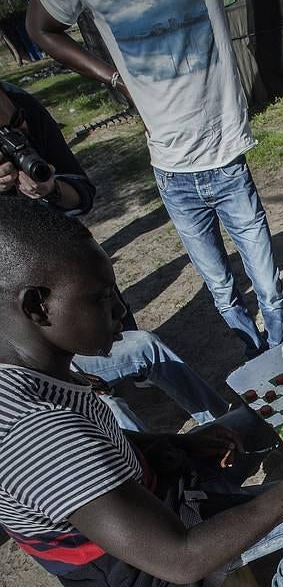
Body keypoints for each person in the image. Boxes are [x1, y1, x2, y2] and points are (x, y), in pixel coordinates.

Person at [0, 197, 283, 587]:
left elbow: (101, 442)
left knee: (260, 416)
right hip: (153, 569)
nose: (121, 310)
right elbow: (180, 559)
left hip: (155, 488)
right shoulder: (38, 433)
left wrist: (177, 442)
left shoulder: (33, 368)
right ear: (37, 306)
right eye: (101, 298)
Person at [27, 0, 283, 359]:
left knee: (267, 284)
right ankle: (256, 360)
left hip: (227, 161)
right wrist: (113, 77)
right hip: (173, 174)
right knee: (221, 288)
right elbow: (42, 28)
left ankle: (282, 359)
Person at [0, 79, 229, 430]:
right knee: (109, 409)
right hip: (31, 377)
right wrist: (71, 379)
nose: (21, 133)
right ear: (35, 305)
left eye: (16, 123)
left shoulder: (22, 103)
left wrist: (52, 189)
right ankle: (155, 480)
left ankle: (233, 426)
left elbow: (81, 192)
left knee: (143, 345)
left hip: (59, 350)